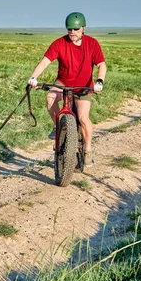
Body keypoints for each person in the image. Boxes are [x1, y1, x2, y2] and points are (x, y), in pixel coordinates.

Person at [27, 12, 106, 166]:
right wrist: (33, 77)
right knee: (50, 98)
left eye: (76, 29)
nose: (72, 32)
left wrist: (99, 81)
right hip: (63, 82)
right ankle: (58, 127)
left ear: (83, 28)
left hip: (83, 85)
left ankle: (88, 151)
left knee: (83, 118)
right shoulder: (59, 43)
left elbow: (101, 65)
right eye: (69, 29)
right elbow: (45, 61)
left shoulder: (92, 43)